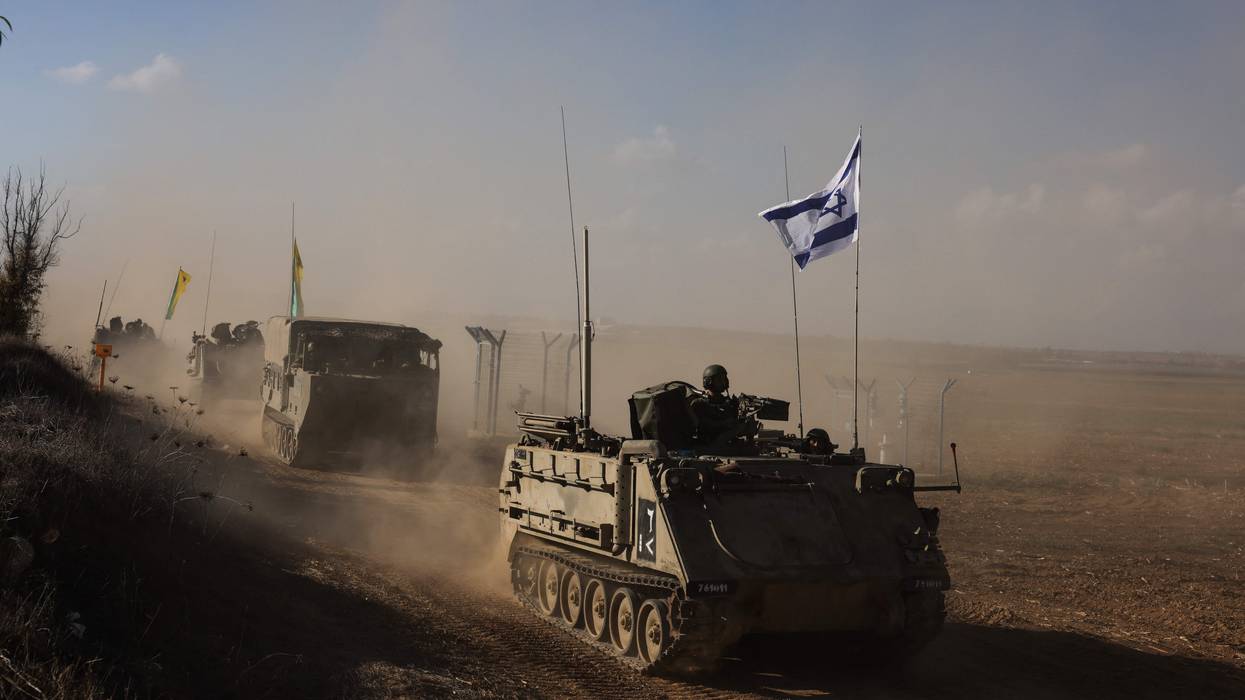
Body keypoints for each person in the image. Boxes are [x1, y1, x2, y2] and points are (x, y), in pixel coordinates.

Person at [690, 364, 745, 448]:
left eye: (724, 379)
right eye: (719, 379)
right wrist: (725, 424)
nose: (723, 382)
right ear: (708, 381)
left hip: (727, 444)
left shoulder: (730, 403)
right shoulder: (699, 403)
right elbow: (702, 425)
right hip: (708, 444)